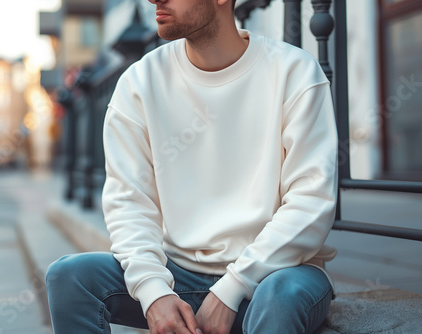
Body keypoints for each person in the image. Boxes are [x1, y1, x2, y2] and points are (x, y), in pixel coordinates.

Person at [46, 0, 339, 333]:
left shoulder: (293, 71)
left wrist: (232, 287)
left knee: (280, 297)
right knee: (68, 278)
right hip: (180, 278)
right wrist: (154, 292)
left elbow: (311, 202)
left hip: (276, 275)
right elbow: (128, 202)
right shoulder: (140, 83)